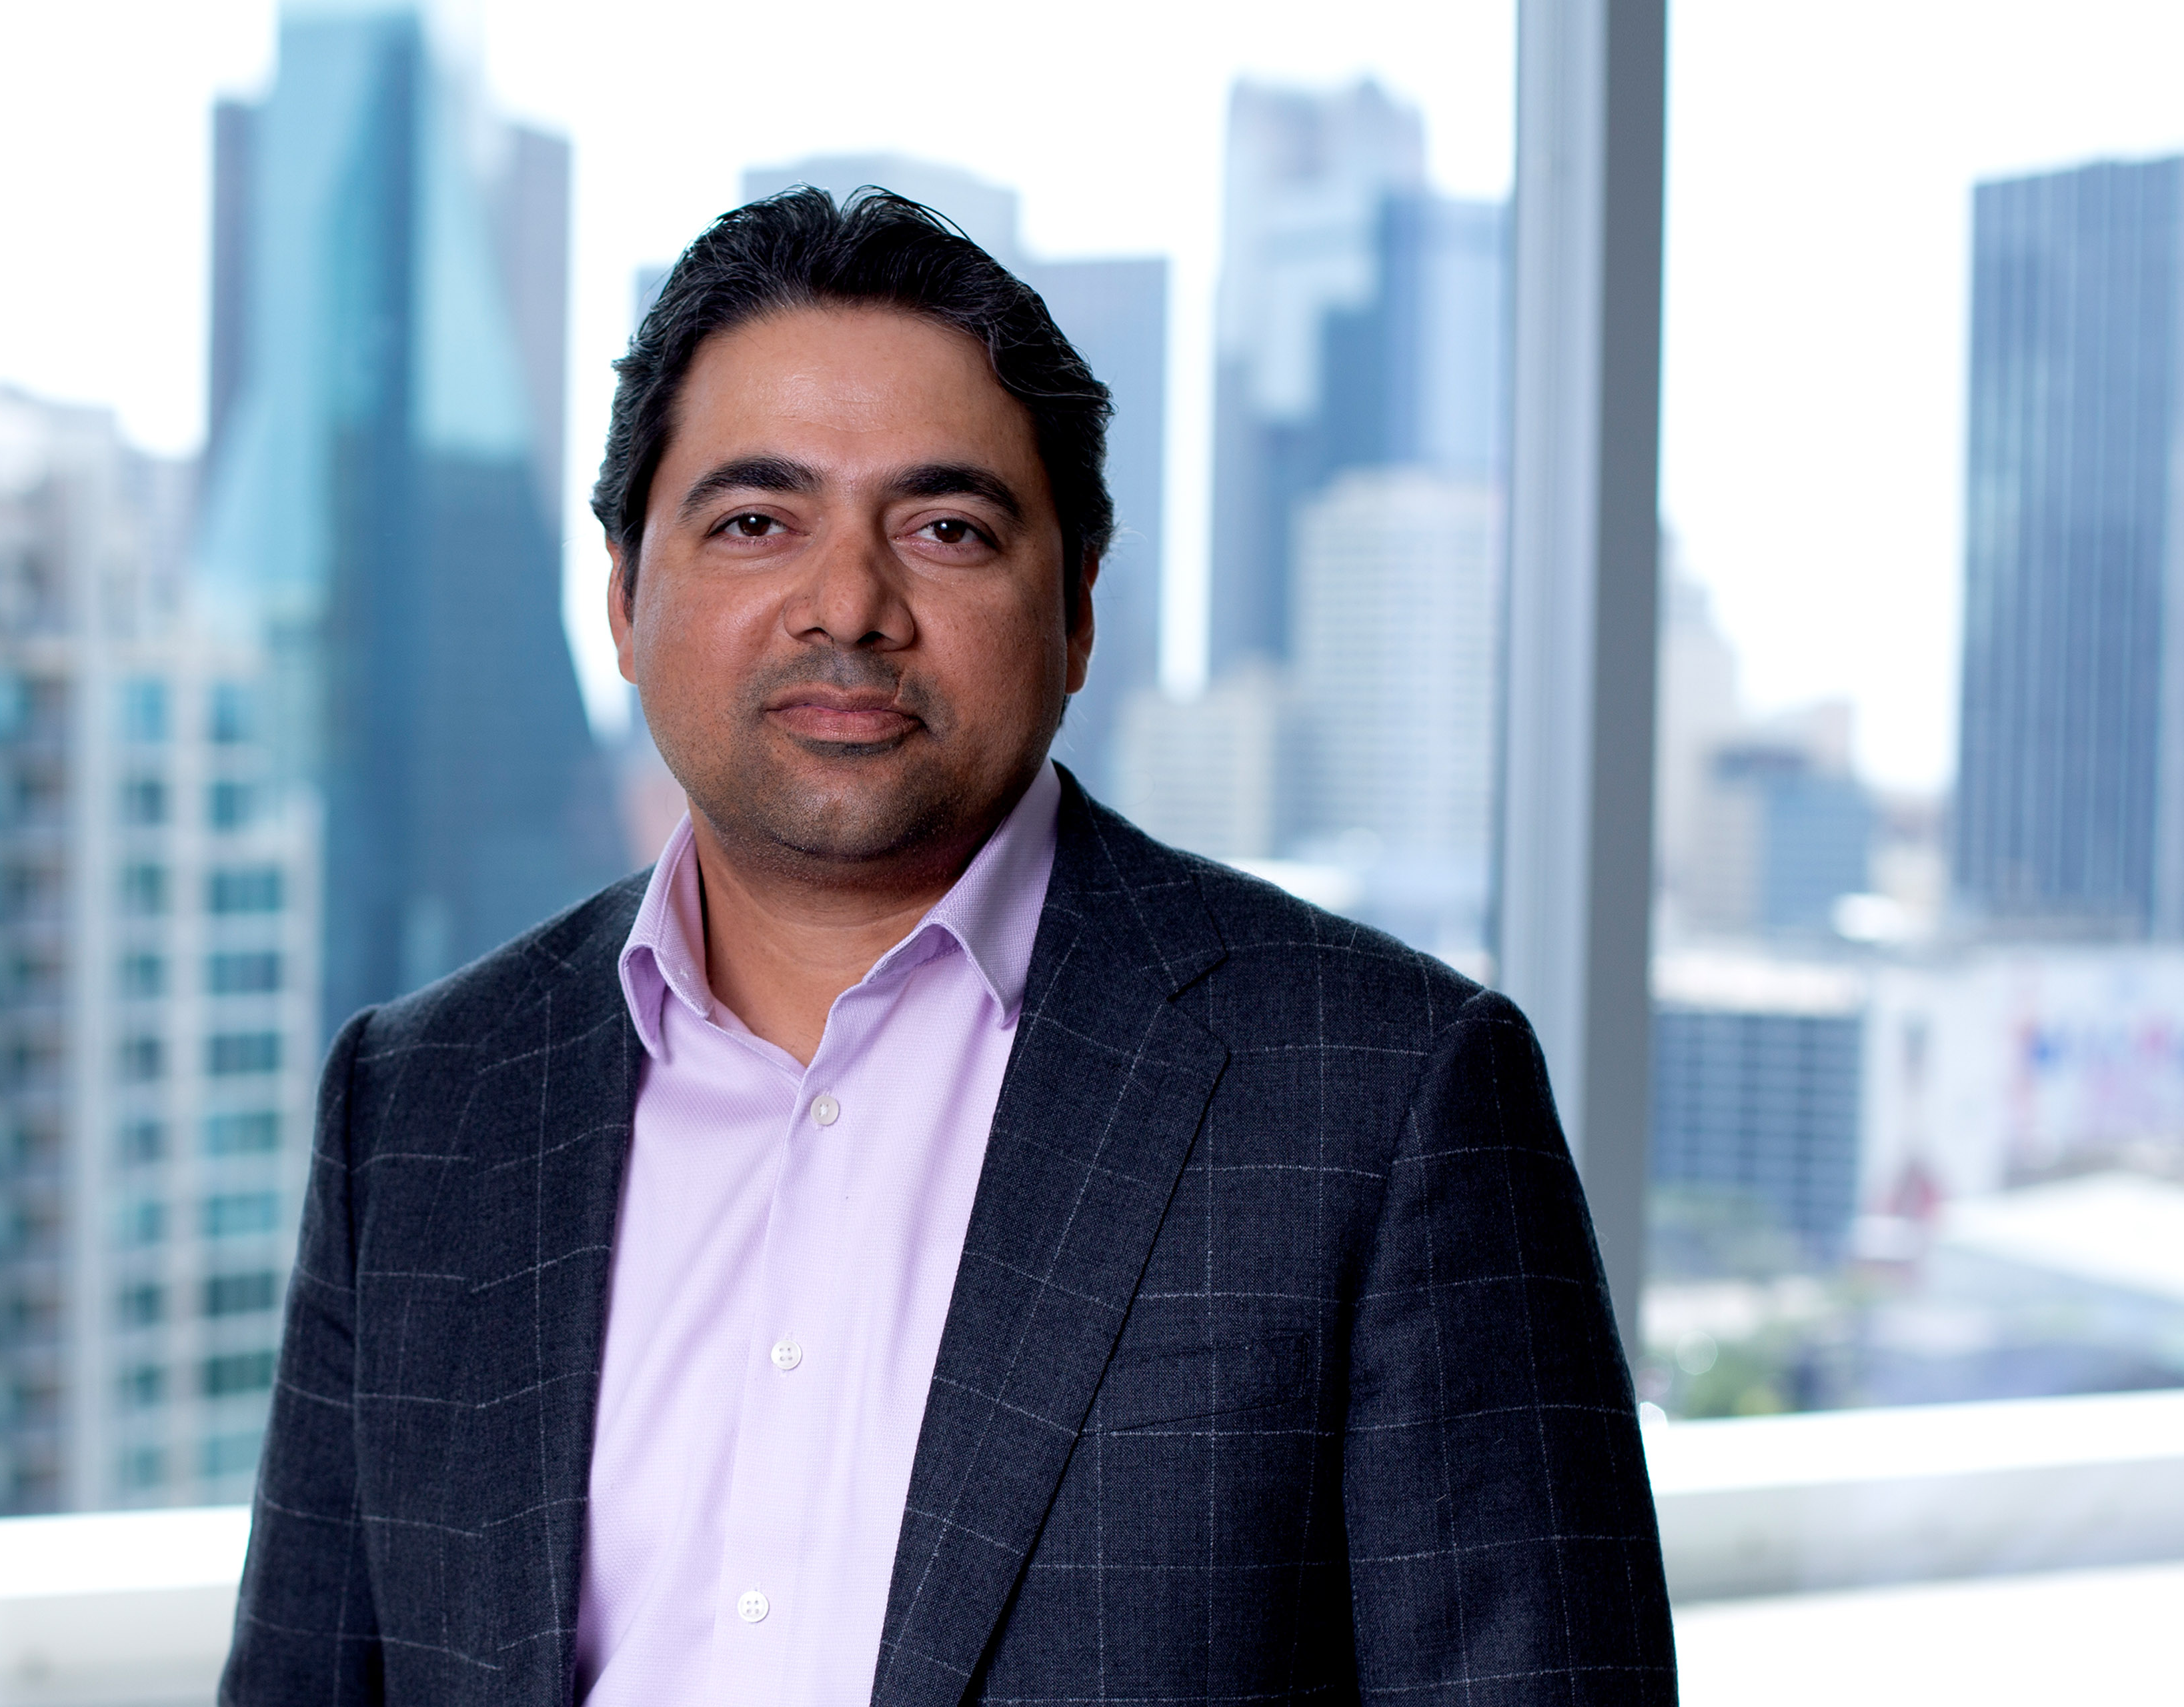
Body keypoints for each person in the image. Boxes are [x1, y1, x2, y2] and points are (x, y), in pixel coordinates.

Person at [221, 188, 1674, 1706]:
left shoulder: (1379, 1095)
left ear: (1080, 612)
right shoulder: (423, 1102)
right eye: (756, 522)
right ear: (626, 595)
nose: (848, 605)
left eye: (947, 529)